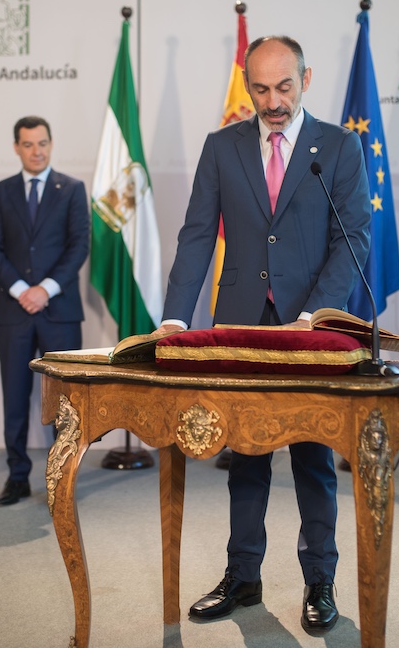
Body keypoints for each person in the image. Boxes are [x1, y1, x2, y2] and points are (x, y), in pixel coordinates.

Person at [156, 36, 371, 634]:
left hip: (309, 327)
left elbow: (351, 237)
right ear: (247, 86)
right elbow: (197, 234)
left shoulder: (340, 146)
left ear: (307, 79)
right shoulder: (221, 146)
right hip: (242, 321)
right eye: (260, 89)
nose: (273, 102)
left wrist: (317, 315)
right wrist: (176, 318)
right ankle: (243, 575)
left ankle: (319, 580)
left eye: (284, 87)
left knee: (313, 457)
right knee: (245, 455)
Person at [0, 116, 90, 506]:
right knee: (14, 396)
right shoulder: (0, 192)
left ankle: (63, 480)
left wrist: (45, 289)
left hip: (59, 310)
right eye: (28, 144)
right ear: (17, 147)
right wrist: (21, 291)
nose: (36, 150)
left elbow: (79, 245)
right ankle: (17, 477)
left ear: (51, 143)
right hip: (13, 311)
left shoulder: (72, 189)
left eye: (42, 143)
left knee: (65, 402)